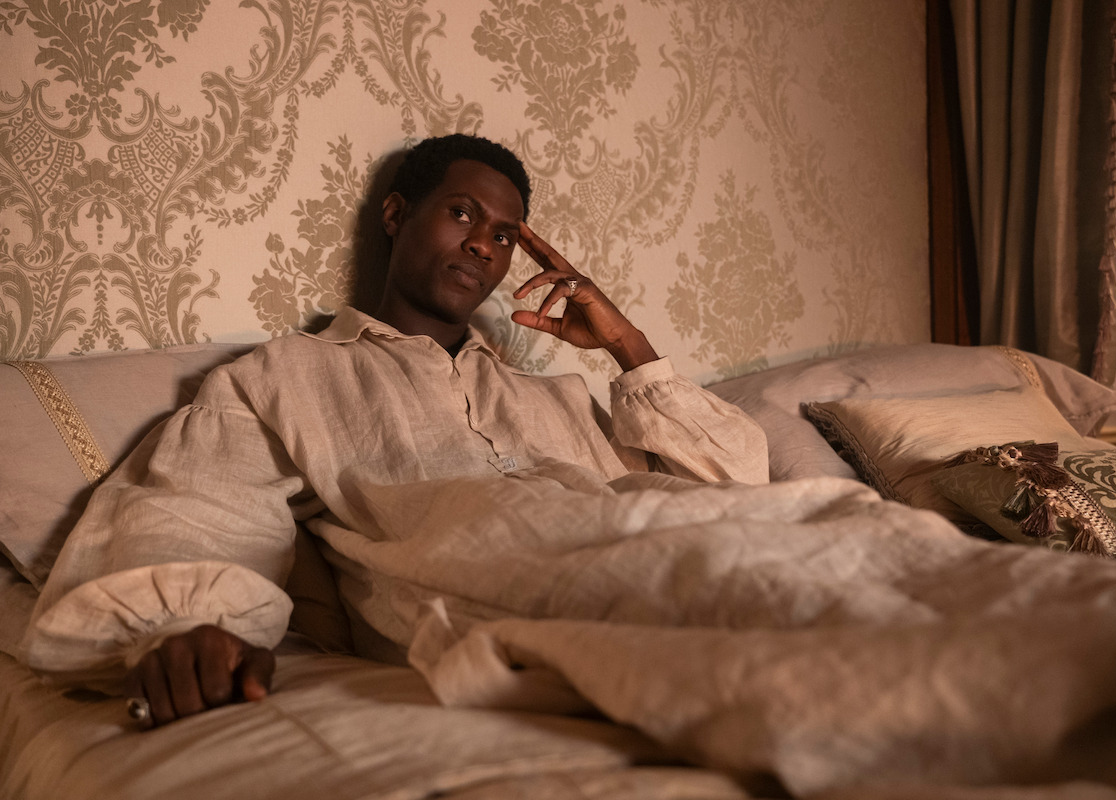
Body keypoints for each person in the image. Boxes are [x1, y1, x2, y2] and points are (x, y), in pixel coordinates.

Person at [23, 134, 768, 728]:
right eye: (463, 214)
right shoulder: (291, 375)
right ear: (395, 215)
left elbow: (737, 483)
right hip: (516, 595)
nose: (485, 245)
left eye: (506, 236)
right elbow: (198, 505)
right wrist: (185, 629)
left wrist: (625, 344)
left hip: (676, 554)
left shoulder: (558, 395)